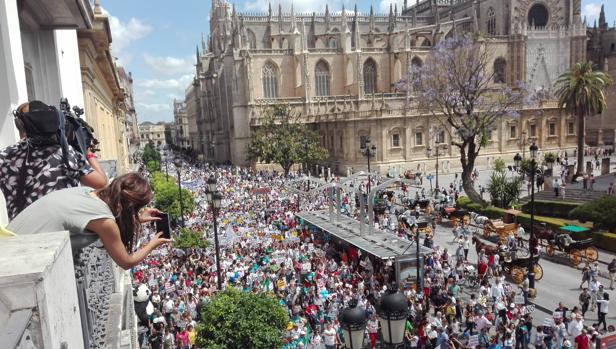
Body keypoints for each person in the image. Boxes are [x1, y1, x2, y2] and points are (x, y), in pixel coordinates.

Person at [7, 173, 172, 266]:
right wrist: (152, 244)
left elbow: (98, 220)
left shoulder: (88, 192)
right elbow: (126, 262)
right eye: (137, 208)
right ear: (130, 206)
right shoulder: (105, 222)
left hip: (9, 241)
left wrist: (137, 219)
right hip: (16, 260)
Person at [0, 100, 107, 220]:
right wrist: (88, 152)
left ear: (19, 125)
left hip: (22, 233)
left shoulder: (4, 156)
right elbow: (101, 183)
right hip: (64, 231)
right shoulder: (66, 153)